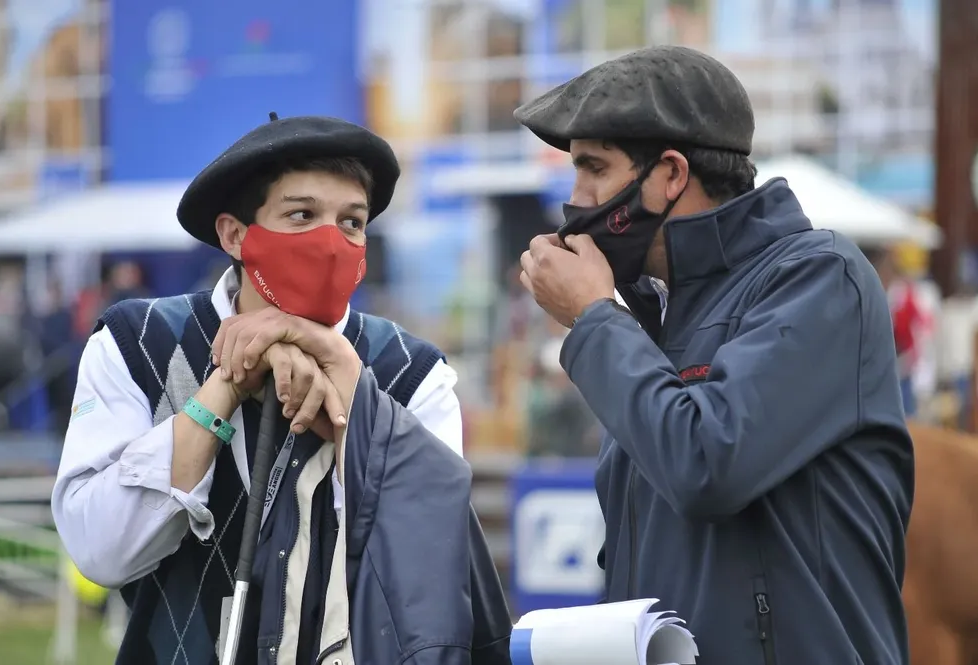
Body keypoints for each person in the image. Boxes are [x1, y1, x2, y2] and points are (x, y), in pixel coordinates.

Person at [52, 115, 511, 665]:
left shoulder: (411, 372)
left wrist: (349, 392)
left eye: (352, 222)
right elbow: (101, 552)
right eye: (301, 215)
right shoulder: (136, 342)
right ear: (234, 234)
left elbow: (426, 565)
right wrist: (224, 386)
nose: (329, 241)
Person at [514, 46, 912, 665]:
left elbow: (705, 463)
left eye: (594, 167)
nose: (577, 198)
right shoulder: (655, 318)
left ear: (671, 174)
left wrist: (593, 317)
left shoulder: (820, 277)